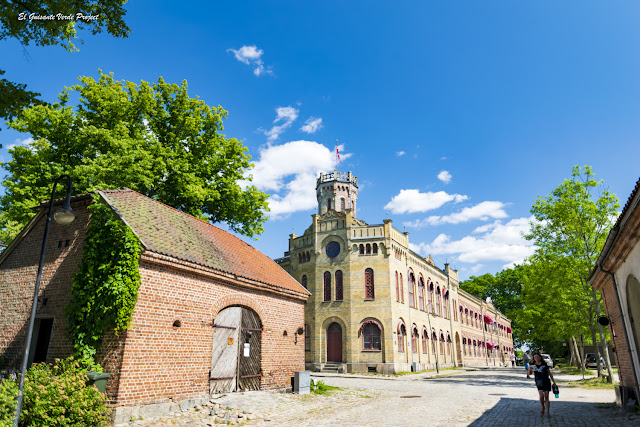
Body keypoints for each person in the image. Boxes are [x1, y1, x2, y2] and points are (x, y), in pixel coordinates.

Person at [528, 352, 557, 418]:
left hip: (546, 381)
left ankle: (547, 412)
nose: (536, 358)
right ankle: (542, 406)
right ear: (533, 358)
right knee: (541, 396)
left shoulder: (544, 364)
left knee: (546, 396)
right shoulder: (533, 365)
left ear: (540, 357)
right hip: (539, 381)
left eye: (537, 357)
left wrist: (554, 382)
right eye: (535, 357)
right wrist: (529, 369)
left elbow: (549, 373)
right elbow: (529, 374)